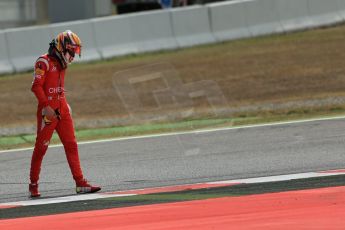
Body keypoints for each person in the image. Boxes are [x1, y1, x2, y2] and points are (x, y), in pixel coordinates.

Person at [29, 30, 101, 198]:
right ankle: (33, 184)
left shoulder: (62, 63)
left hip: (63, 110)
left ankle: (80, 183)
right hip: (48, 112)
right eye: (72, 51)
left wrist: (64, 104)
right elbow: (36, 86)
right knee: (41, 148)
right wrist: (46, 106)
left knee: (71, 145)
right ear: (63, 47)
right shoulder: (43, 62)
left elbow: (58, 87)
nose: (73, 55)